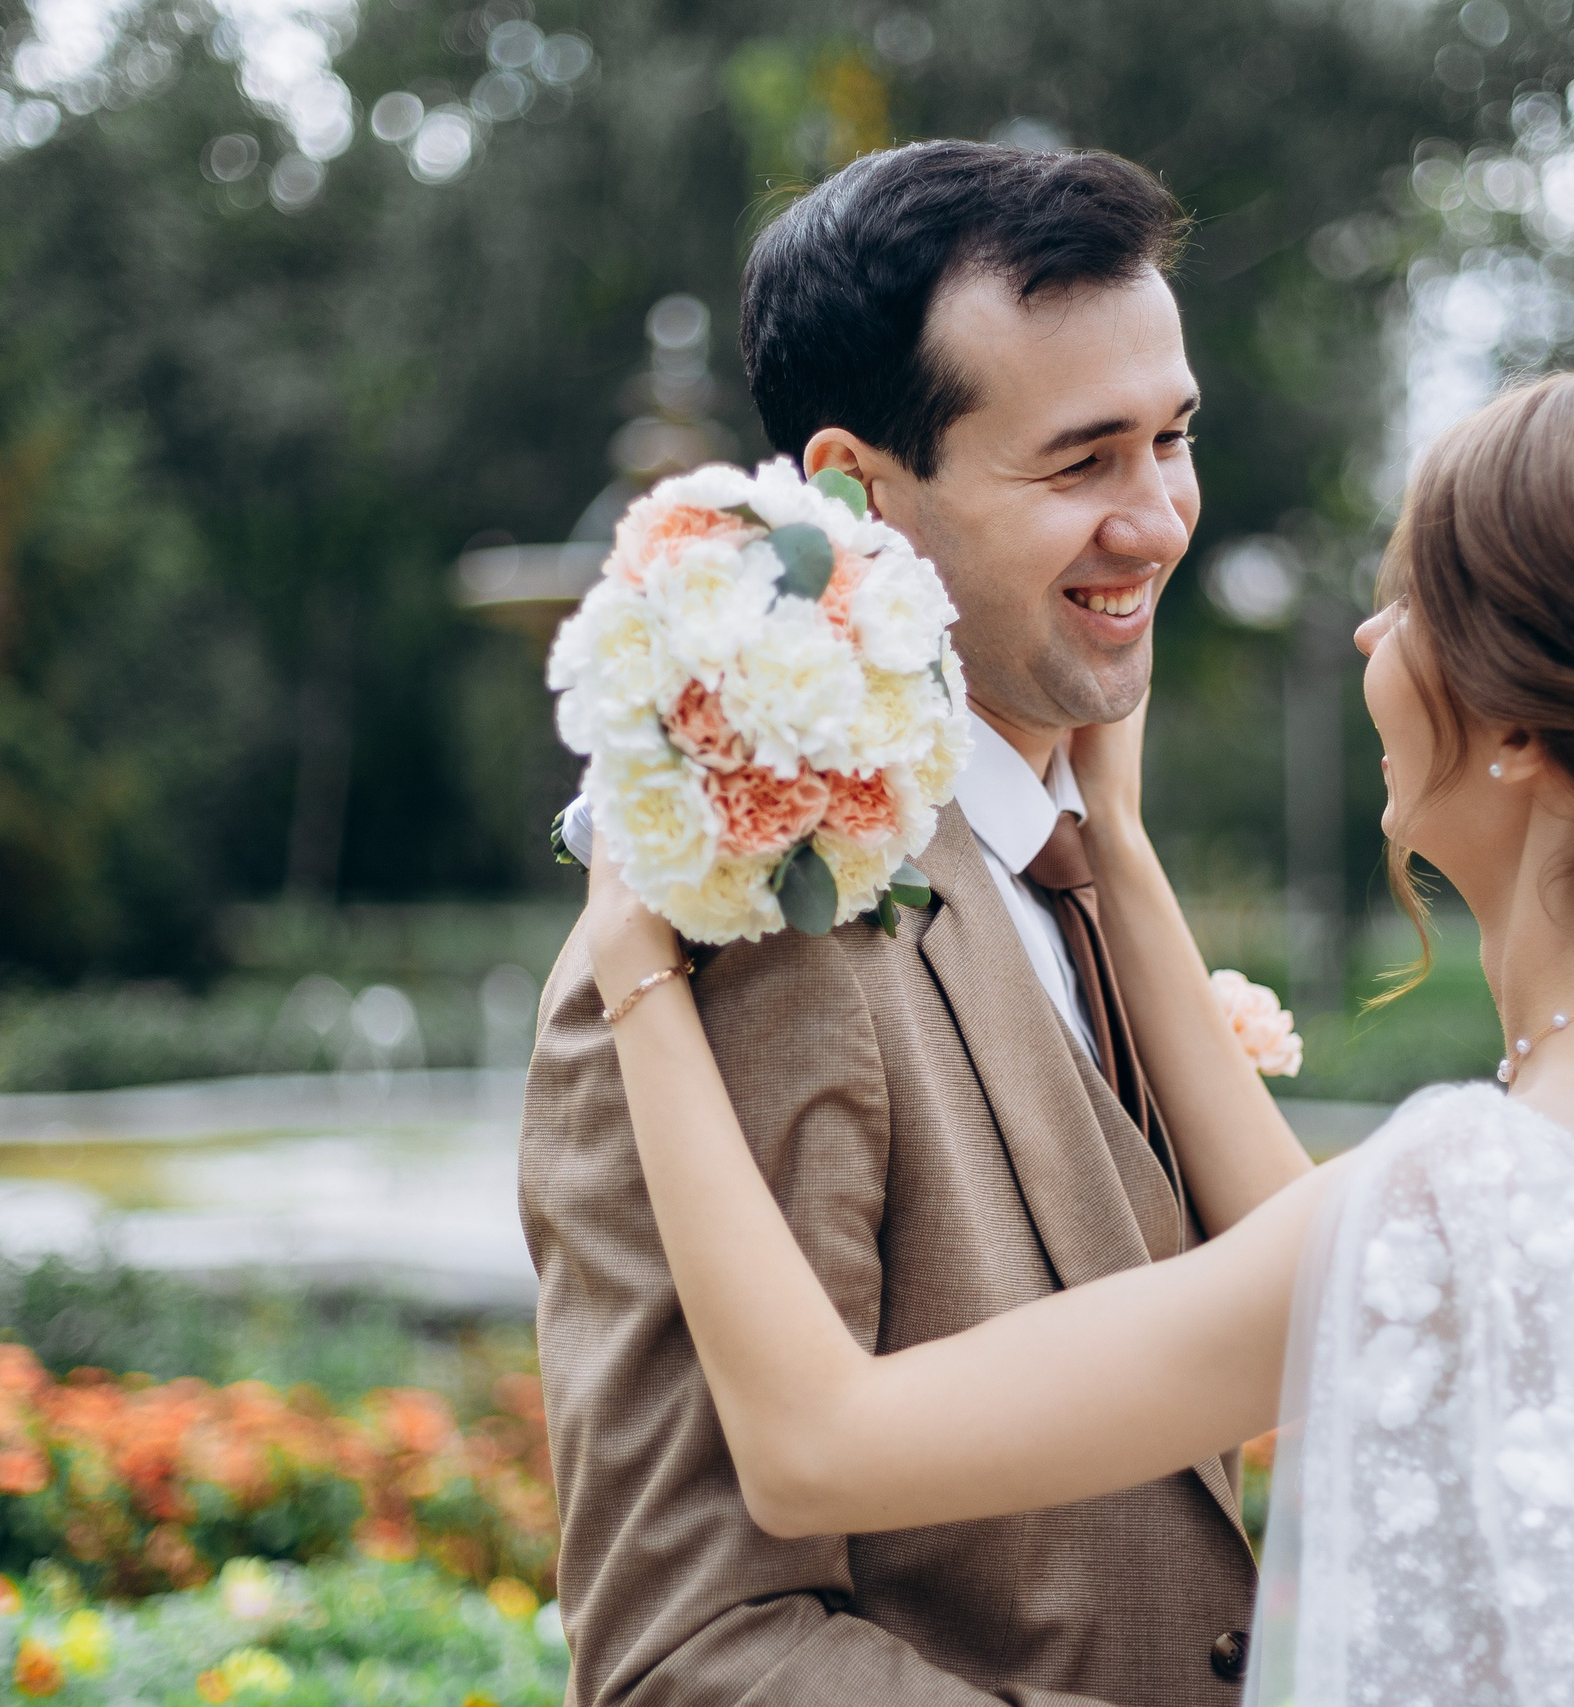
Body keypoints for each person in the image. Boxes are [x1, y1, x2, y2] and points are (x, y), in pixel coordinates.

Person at [577, 369, 1574, 1704]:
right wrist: (1119, 858)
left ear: (1529, 725)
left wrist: (638, 957)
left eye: (1415, 602)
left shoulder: (1478, 1199)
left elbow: (810, 1447)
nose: (1367, 641)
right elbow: (1343, 1270)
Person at [520, 140, 1275, 1706]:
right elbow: (687, 1655)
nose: (1158, 522)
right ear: (858, 492)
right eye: (1083, 465)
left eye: (1174, 440)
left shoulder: (1099, 868)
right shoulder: (747, 922)